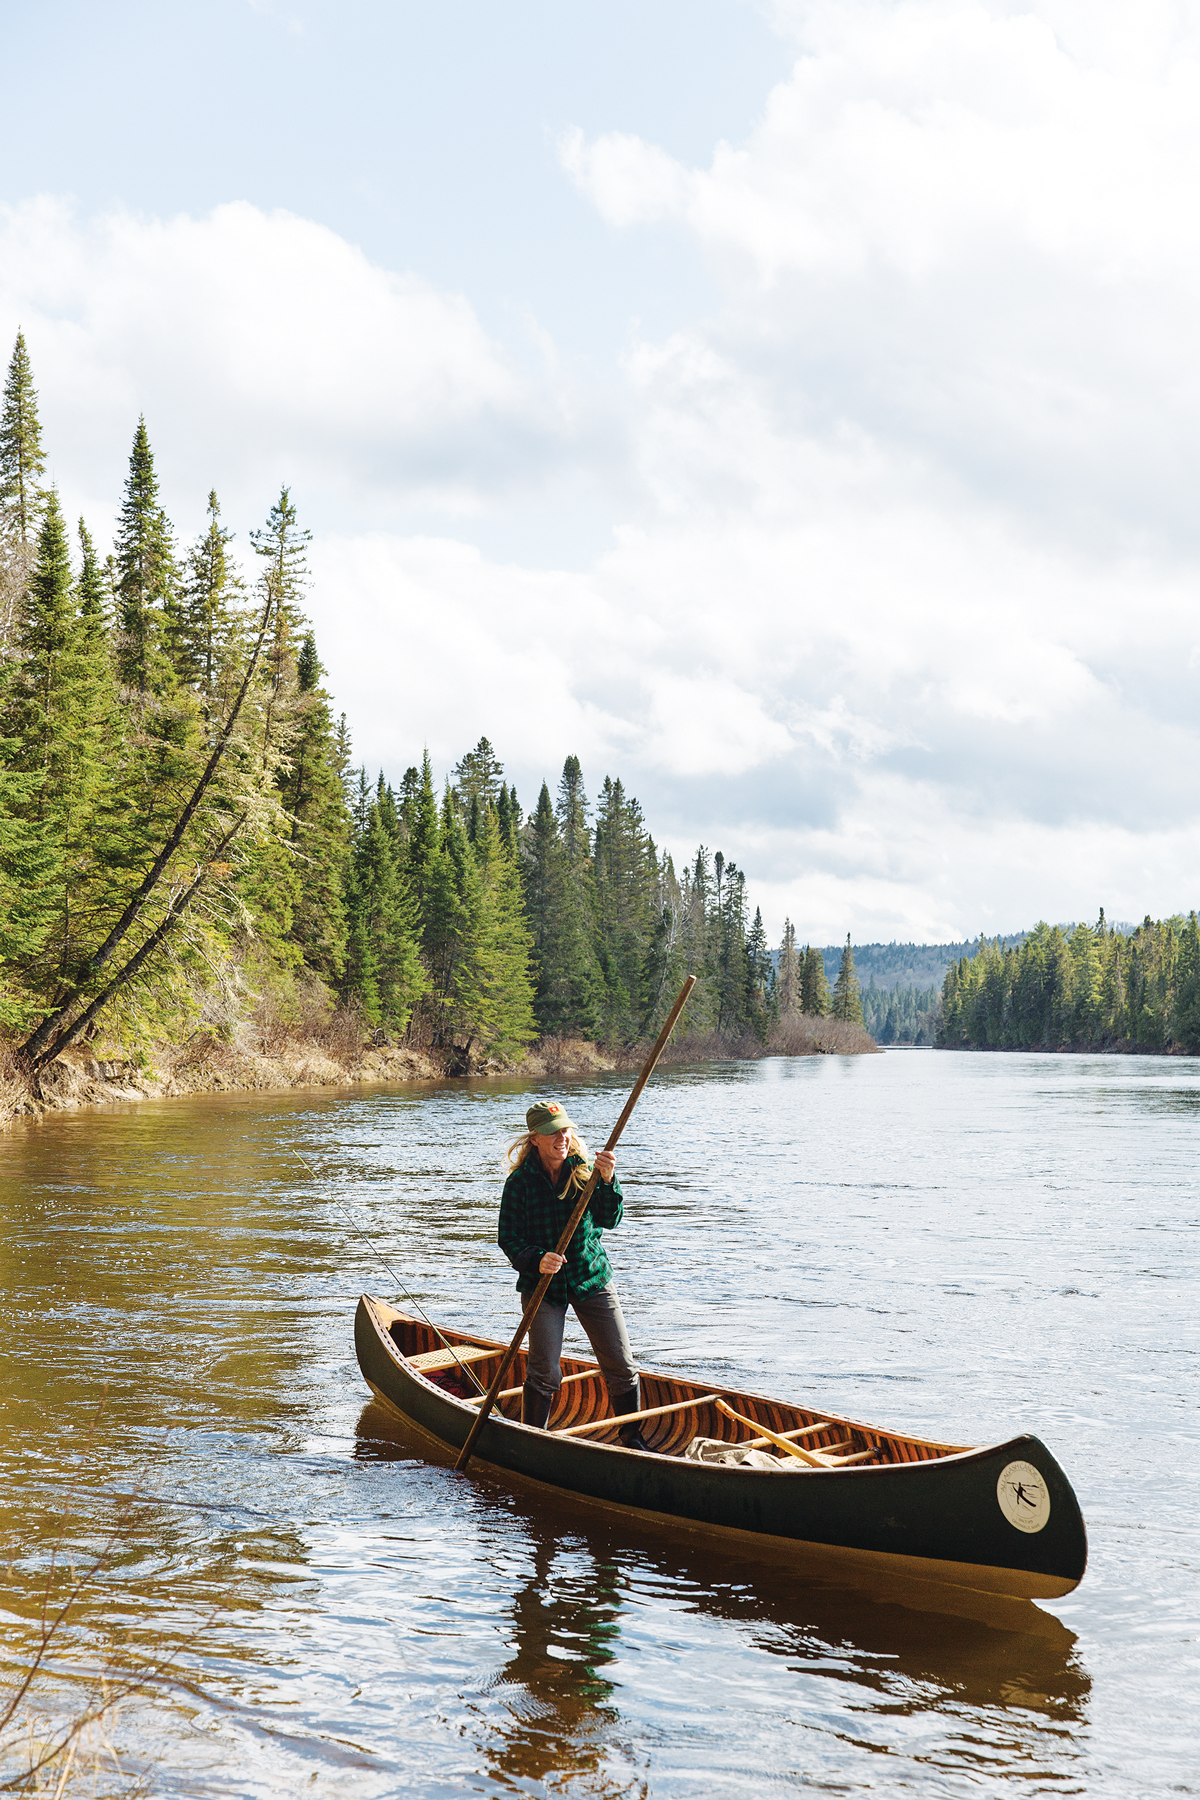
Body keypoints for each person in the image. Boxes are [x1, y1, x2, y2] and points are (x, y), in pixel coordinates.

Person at [497, 1100, 648, 1449]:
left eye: (565, 1130)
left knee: (621, 1366)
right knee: (545, 1372)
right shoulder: (519, 1184)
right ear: (535, 1139)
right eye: (552, 1133)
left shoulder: (587, 1172)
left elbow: (611, 1219)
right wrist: (537, 1260)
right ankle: (534, 1441)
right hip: (543, 1286)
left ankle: (632, 1437)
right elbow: (508, 1239)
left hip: (591, 1277)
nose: (561, 1138)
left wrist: (608, 1181)